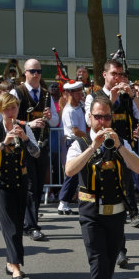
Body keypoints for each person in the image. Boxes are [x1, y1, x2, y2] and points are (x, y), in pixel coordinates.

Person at [63, 96, 139, 279]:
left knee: (109, 263)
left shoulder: (120, 142)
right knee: (98, 262)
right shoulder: (79, 143)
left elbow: (138, 168)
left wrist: (119, 146)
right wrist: (92, 147)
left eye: (106, 117)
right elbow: (69, 170)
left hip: (115, 212)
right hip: (90, 212)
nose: (102, 121)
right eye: (97, 117)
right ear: (89, 118)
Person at [86, 59, 139, 266]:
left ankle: (120, 248)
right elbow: (90, 122)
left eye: (120, 74)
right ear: (105, 75)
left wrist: (133, 96)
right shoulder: (94, 97)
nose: (118, 77)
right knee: (101, 200)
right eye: (114, 74)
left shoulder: (127, 97)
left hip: (121, 148)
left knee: (121, 197)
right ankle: (101, 246)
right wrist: (110, 98)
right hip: (98, 151)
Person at [0, 92, 40, 279]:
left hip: (20, 180)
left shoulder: (24, 127)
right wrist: (4, 142)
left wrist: (25, 137)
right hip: (0, 181)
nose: (10, 112)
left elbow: (36, 153)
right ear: (0, 110)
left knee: (17, 223)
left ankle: (10, 262)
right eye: (6, 108)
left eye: (13, 108)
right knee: (10, 226)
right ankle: (16, 267)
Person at [14, 59, 60, 242]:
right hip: (24, 144)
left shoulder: (47, 95)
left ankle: (28, 223)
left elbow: (56, 121)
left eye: (39, 71)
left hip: (42, 144)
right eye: (32, 71)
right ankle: (32, 226)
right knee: (30, 185)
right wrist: (28, 123)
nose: (36, 75)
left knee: (38, 184)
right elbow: (8, 118)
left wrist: (49, 117)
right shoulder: (17, 92)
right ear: (25, 72)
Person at [56, 80, 88, 214]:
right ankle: (63, 203)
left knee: (78, 174)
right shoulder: (68, 111)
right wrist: (89, 137)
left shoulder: (78, 108)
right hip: (74, 142)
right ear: (69, 93)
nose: (80, 95)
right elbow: (75, 131)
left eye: (81, 92)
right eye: (77, 93)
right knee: (72, 173)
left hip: (80, 142)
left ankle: (65, 203)